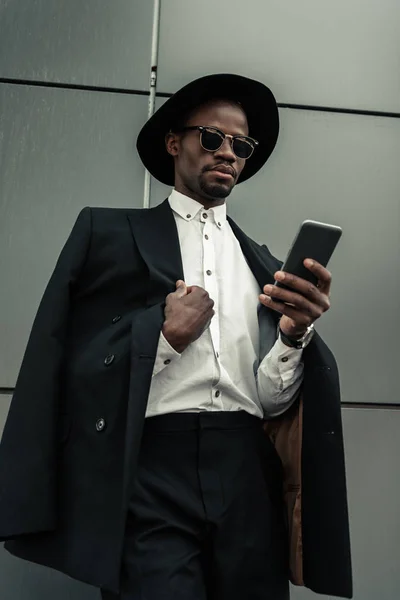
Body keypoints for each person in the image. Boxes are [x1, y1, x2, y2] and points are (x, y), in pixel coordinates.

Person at [0, 74, 352, 599]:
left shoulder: (265, 265)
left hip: (246, 467)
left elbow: (271, 400)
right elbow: (66, 364)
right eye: (212, 137)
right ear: (174, 143)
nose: (228, 152)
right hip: (148, 467)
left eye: (241, 145)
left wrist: (294, 336)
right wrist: (160, 335)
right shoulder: (107, 233)